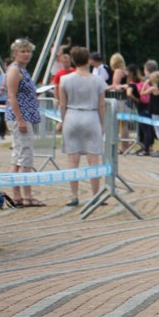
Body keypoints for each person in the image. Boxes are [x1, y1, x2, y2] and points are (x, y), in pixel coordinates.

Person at [57, 46, 106, 206]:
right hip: (91, 115)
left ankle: (74, 195)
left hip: (72, 115)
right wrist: (102, 123)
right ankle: (96, 194)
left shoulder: (64, 79)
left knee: (73, 160)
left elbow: (62, 104)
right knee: (93, 159)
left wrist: (64, 121)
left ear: (73, 60)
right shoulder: (98, 80)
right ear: (88, 60)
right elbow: (101, 105)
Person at [4, 39, 45, 207]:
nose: (26, 54)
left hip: (24, 116)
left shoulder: (22, 70)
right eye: (23, 51)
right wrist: (20, 119)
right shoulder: (15, 70)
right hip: (20, 118)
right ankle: (26, 197)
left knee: (18, 158)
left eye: (28, 51)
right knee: (25, 157)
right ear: (15, 53)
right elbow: (11, 96)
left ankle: (18, 196)